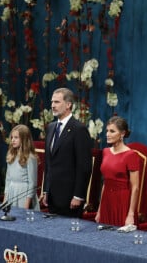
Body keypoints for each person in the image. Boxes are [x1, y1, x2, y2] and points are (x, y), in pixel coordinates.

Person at [39, 88, 92, 217]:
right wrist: (46, 190)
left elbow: (84, 166)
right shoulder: (51, 127)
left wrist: (78, 195)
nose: (52, 105)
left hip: (70, 198)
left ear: (68, 105)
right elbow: (49, 163)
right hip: (52, 196)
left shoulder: (79, 129)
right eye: (52, 102)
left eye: (57, 102)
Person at [95, 116, 140, 226]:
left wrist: (130, 214)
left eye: (112, 131)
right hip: (106, 201)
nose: (107, 134)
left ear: (122, 134)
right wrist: (99, 210)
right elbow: (105, 183)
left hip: (122, 201)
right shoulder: (105, 152)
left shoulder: (131, 155)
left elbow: (135, 187)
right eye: (107, 131)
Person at [3, 124, 40, 210]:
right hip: (12, 192)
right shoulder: (11, 155)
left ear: (24, 139)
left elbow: (32, 184)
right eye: (12, 137)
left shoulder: (30, 157)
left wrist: (26, 206)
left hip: (24, 195)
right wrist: (5, 201)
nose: (13, 140)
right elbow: (8, 180)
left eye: (16, 137)